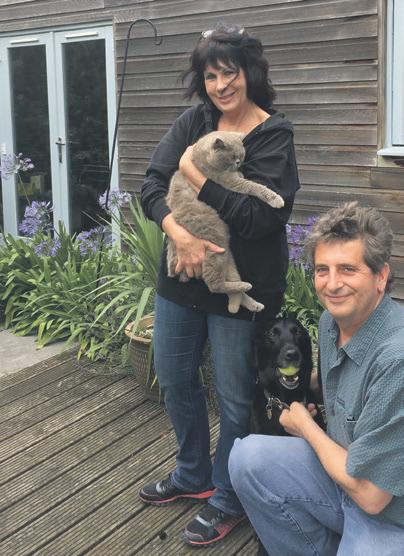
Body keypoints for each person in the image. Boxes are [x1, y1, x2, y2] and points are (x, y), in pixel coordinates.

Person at [139, 24, 299, 547]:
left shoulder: (274, 135)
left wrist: (197, 176)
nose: (221, 85)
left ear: (251, 72)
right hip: (183, 281)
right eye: (210, 76)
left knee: (234, 397)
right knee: (174, 378)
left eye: (230, 72)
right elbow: (151, 185)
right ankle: (193, 474)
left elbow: (259, 220)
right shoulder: (196, 121)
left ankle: (229, 497)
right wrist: (179, 233)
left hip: (240, 288)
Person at [229, 201, 404, 555]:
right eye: (323, 269)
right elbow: (338, 385)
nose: (332, 284)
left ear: (381, 276)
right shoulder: (330, 323)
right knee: (246, 458)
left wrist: (306, 428)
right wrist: (299, 381)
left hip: (388, 514)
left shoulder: (395, 360)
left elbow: (372, 496)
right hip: (338, 476)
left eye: (348, 269)